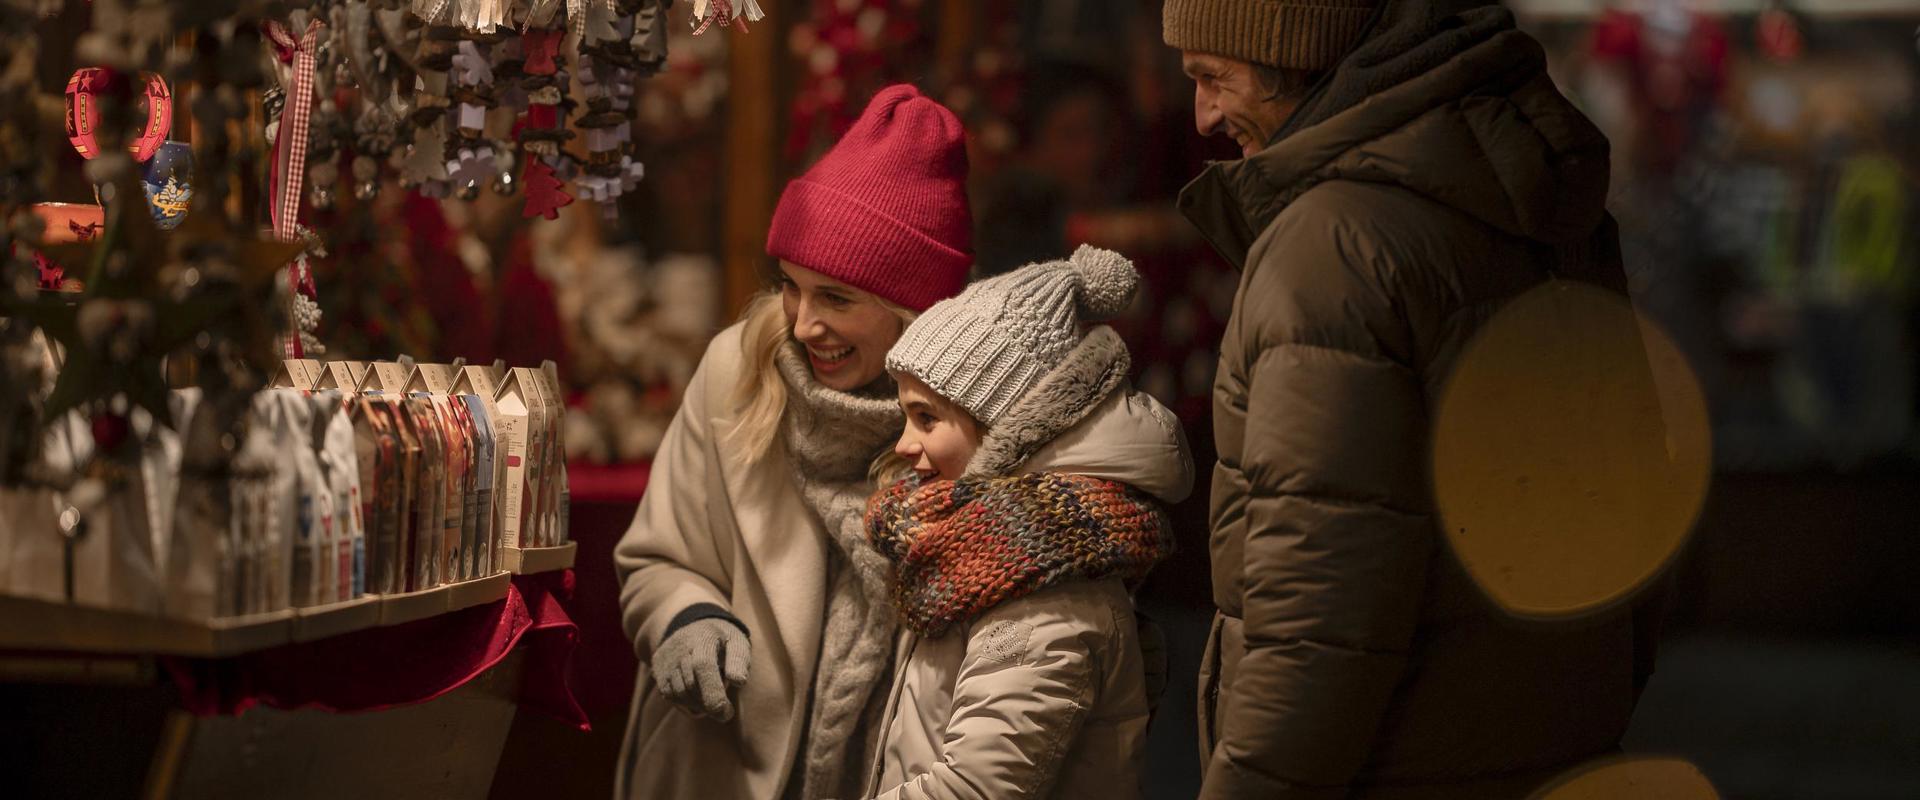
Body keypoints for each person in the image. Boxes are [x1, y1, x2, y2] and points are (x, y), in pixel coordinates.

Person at [1162, 0, 1653, 797]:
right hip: (1552, 747)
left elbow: (1317, 625)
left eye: (1216, 77)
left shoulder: (1333, 247)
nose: (1204, 113)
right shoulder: (1542, 203)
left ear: (1300, 57)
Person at [614, 84, 973, 800]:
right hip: (717, 766)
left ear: (915, 312)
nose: (804, 323)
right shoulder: (735, 372)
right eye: (790, 286)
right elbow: (655, 558)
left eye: (837, 298)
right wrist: (686, 618)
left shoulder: (966, 426)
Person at [857, 244, 1192, 799]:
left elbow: (975, 788)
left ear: (1009, 430)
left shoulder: (1044, 582)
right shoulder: (979, 551)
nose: (904, 444)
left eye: (926, 418)